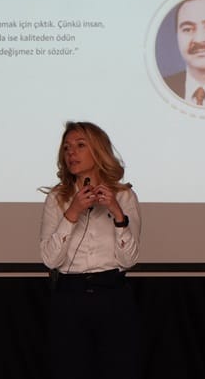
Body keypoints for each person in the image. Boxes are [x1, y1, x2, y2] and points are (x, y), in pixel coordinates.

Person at [39, 121, 142, 379]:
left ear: (98, 151)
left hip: (113, 296)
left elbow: (129, 260)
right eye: (66, 147)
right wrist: (72, 212)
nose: (71, 152)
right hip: (69, 297)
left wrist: (117, 212)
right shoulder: (57, 198)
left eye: (80, 145)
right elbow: (50, 259)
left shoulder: (124, 196)